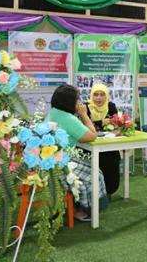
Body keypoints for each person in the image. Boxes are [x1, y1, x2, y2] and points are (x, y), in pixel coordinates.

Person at [45, 84, 108, 222]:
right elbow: (92, 135)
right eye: (77, 99)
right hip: (60, 164)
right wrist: (84, 114)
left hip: (49, 161)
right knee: (95, 174)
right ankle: (87, 210)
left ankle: (76, 206)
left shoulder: (53, 112)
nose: (79, 102)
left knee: (89, 167)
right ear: (69, 101)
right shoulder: (68, 118)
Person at [86, 83, 121, 197]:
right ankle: (95, 194)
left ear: (106, 96)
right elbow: (85, 126)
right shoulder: (86, 107)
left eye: (102, 95)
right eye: (95, 95)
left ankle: (108, 191)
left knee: (112, 161)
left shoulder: (111, 106)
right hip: (91, 147)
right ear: (91, 96)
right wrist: (101, 122)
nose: (99, 98)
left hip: (108, 146)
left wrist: (117, 128)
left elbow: (116, 123)